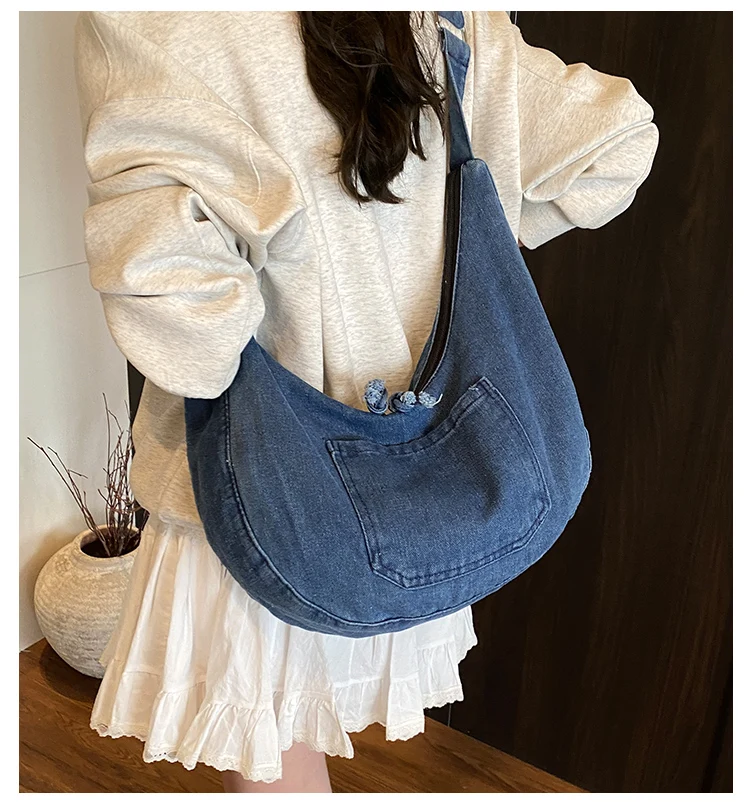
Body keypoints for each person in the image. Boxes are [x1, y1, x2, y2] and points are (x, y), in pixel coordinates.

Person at [73, 10, 658, 793]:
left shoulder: (160, 22)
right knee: (295, 747)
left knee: (275, 763)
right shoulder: (445, 17)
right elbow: (616, 145)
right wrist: (464, 243)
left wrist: (288, 262)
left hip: (266, 498)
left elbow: (186, 331)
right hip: (434, 484)